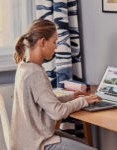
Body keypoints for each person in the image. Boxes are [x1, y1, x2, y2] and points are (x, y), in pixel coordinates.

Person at [11, 18, 101, 150]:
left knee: (85, 145)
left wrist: (72, 96)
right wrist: (85, 101)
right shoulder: (34, 73)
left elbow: (45, 102)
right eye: (54, 42)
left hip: (30, 139)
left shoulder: (24, 66)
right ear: (42, 42)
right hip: (37, 144)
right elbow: (58, 112)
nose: (56, 46)